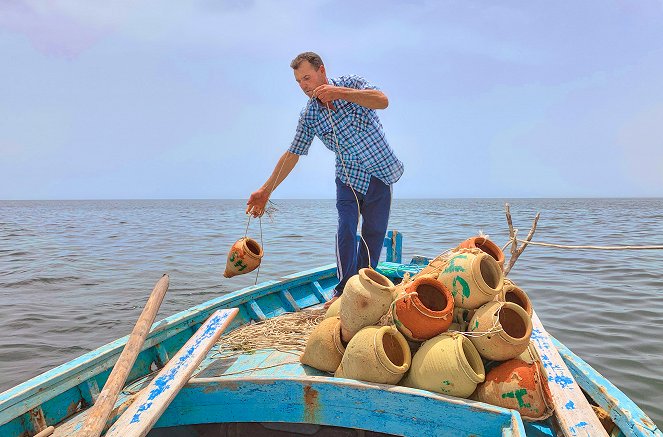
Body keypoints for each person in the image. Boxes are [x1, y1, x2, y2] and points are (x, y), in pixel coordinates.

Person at [246, 51, 403, 308]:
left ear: (322, 70)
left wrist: (340, 93)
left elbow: (382, 101)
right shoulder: (309, 115)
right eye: (299, 82)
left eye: (307, 78)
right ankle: (343, 291)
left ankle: (364, 289)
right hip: (348, 178)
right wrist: (266, 190)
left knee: (373, 235)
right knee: (346, 228)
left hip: (380, 174)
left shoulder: (352, 83)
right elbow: (293, 153)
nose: (304, 86)